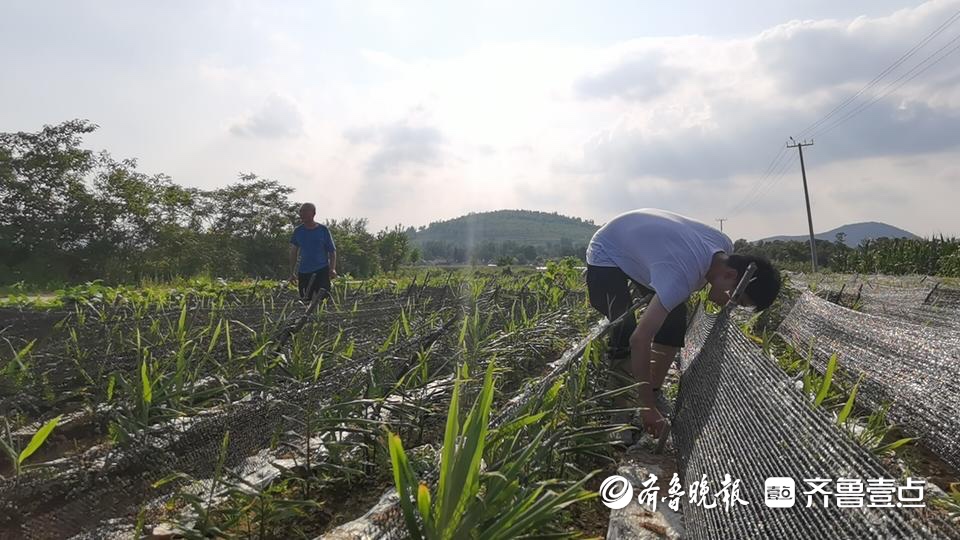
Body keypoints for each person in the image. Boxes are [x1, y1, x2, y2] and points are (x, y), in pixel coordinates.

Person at [585, 208, 780, 439]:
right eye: (735, 296)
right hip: (608, 249)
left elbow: (692, 270)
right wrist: (647, 409)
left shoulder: (723, 246)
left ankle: (652, 391)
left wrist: (716, 290)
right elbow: (640, 339)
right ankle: (623, 410)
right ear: (729, 275)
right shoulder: (680, 276)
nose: (730, 302)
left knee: (675, 319)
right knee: (623, 326)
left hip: (644, 242)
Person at [289, 202, 337, 301]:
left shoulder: (323, 230)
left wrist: (332, 269)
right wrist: (292, 272)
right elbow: (293, 252)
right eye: (301, 212)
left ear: (314, 213)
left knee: (324, 301)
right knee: (305, 300)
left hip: (321, 270)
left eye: (306, 211)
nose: (302, 214)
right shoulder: (298, 231)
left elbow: (332, 251)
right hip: (303, 272)